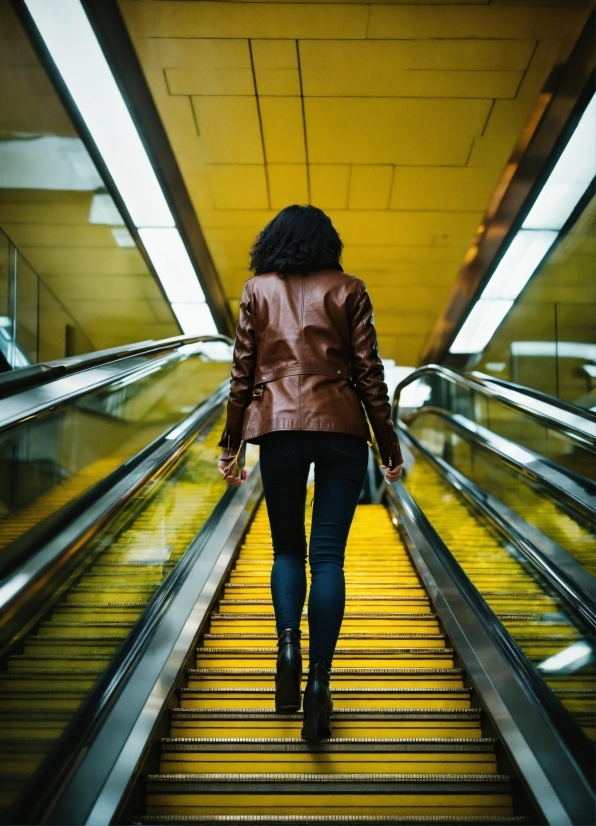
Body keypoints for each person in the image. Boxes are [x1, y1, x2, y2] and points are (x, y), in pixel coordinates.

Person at [217, 205, 403, 741]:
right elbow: (370, 374)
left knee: (286, 551)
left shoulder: (257, 290)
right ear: (328, 243)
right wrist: (388, 446)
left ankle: (287, 652)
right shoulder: (350, 288)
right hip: (342, 430)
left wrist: (232, 444)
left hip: (277, 429)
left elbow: (241, 373)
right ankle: (320, 681)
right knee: (328, 558)